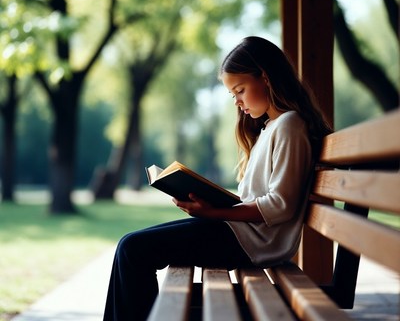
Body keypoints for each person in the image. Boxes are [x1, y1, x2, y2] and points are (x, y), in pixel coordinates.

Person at [103, 36, 332, 321]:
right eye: (232, 94)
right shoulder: (270, 127)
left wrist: (215, 211)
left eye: (240, 90)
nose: (237, 102)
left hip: (253, 245)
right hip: (241, 236)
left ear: (266, 77)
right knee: (130, 246)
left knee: (133, 250)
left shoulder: (289, 125)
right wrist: (213, 205)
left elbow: (280, 205)